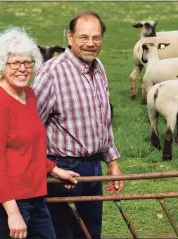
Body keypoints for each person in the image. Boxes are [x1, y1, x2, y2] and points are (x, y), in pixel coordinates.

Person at [0, 26, 80, 239]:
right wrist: (12, 213)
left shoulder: (28, 95)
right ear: (1, 66)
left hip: (34, 196)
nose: (22, 68)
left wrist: (53, 169)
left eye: (27, 62)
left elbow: (28, 146)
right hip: (5, 201)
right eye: (15, 63)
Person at [31, 10, 124, 239]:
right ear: (69, 37)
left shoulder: (98, 67)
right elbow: (31, 126)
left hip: (94, 168)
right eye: (84, 37)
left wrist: (112, 162)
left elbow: (104, 119)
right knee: (64, 233)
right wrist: (48, 168)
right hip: (63, 170)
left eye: (96, 37)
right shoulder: (52, 72)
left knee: (90, 233)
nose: (91, 44)